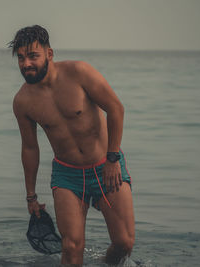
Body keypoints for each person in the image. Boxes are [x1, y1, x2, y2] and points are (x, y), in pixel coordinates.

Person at [9, 25, 135, 266]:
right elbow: (30, 148)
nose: (26, 64)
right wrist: (30, 196)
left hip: (106, 167)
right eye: (21, 58)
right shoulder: (22, 101)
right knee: (71, 247)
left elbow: (116, 109)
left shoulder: (79, 73)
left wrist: (112, 159)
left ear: (49, 54)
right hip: (67, 176)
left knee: (124, 243)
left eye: (33, 56)